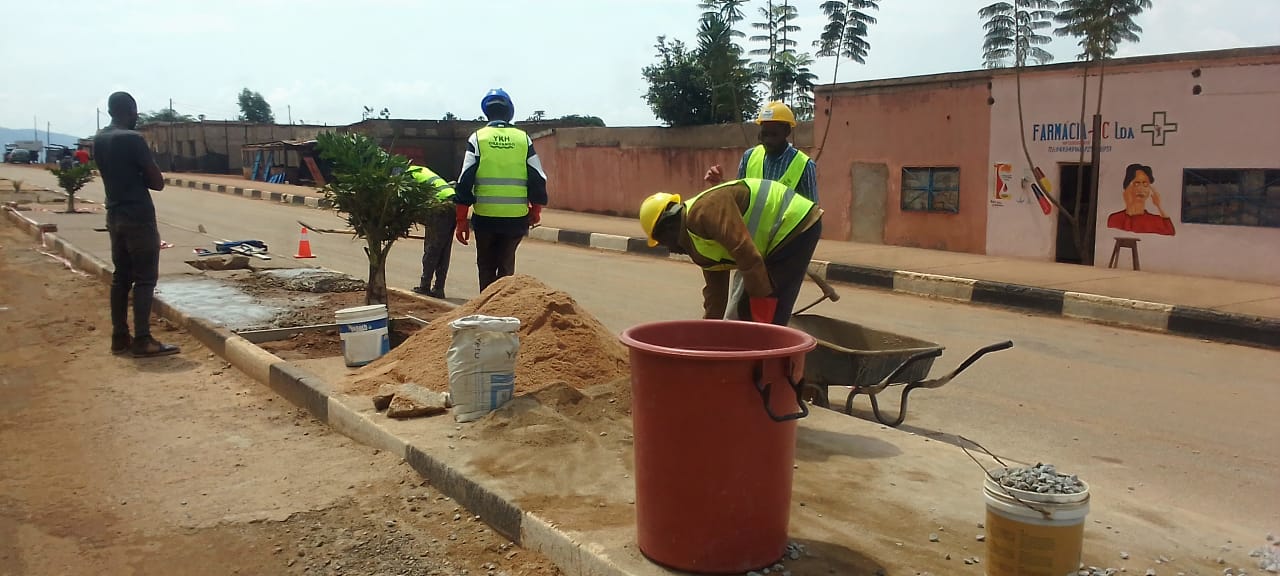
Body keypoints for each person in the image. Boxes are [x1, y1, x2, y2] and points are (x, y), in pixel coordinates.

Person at [638, 178, 823, 325]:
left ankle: (771, 368)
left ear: (669, 225)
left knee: (770, 311)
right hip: (773, 240)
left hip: (795, 224)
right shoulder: (695, 244)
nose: (670, 250)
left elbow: (747, 256)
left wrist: (763, 322)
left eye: (664, 242)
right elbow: (715, 296)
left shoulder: (706, 211)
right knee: (745, 312)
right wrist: (706, 338)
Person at [703, 101, 819, 320]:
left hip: (782, 252)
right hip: (750, 248)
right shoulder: (750, 157)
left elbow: (811, 216)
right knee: (737, 309)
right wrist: (721, 183)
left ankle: (768, 346)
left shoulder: (803, 165)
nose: (766, 140)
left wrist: (798, 255)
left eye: (773, 135)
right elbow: (740, 197)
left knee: (773, 310)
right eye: (763, 134)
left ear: (787, 131)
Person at [95, 91, 179, 357]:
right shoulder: (132, 139)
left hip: (114, 214)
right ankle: (143, 339)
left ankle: (120, 336)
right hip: (138, 216)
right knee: (144, 279)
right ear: (129, 110)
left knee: (121, 277)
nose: (136, 116)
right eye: (134, 112)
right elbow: (157, 182)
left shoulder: (99, 139)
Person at [453, 88, 549, 292]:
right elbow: (538, 177)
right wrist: (536, 210)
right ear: (510, 112)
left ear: (487, 112)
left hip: (485, 218)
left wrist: (461, 220)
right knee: (506, 268)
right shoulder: (523, 139)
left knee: (486, 267)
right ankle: (503, 310)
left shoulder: (478, 138)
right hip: (516, 218)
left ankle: (487, 310)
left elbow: (464, 181)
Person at [408, 164, 458, 299]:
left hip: (439, 207)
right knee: (444, 249)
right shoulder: (421, 170)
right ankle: (439, 288)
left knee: (433, 247)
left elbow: (408, 201)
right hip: (453, 204)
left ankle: (425, 285)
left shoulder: (409, 175)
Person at [1106, 163, 1175, 236]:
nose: (1141, 189)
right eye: (1136, 184)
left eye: (1145, 184)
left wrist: (1159, 205)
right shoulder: (1114, 218)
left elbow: (1170, 232)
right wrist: (1129, 207)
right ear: (1126, 189)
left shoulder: (1155, 221)